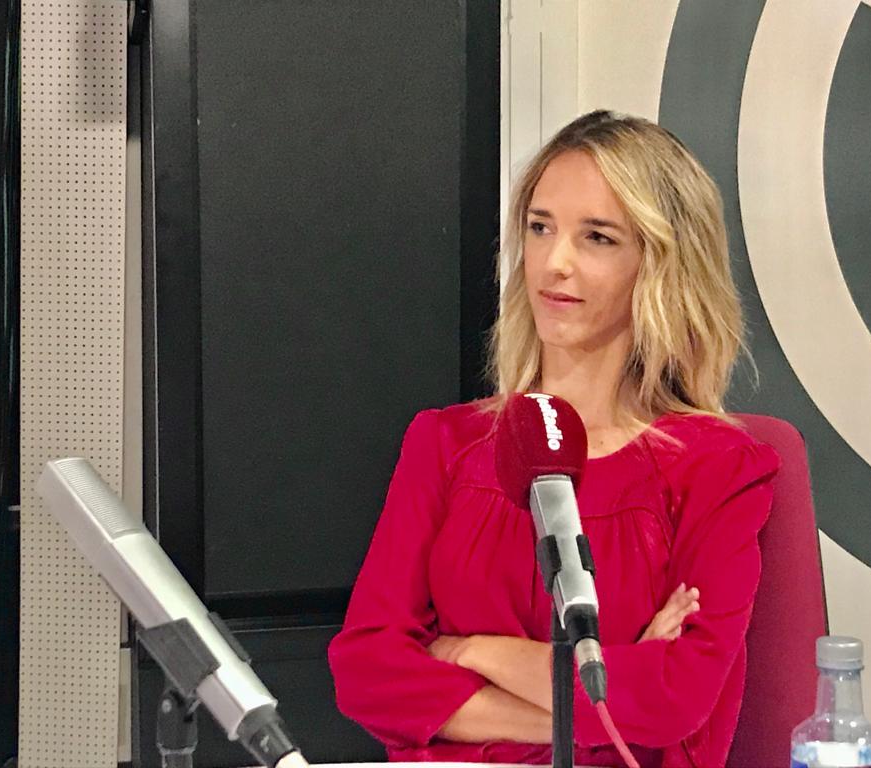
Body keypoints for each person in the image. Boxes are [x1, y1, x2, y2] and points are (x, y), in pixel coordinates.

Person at [328, 111, 780, 768]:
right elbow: (367, 673)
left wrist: (469, 652)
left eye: (597, 237)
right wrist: (600, 703)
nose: (554, 262)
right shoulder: (446, 442)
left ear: (661, 265)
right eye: (540, 228)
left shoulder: (720, 466)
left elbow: (677, 700)